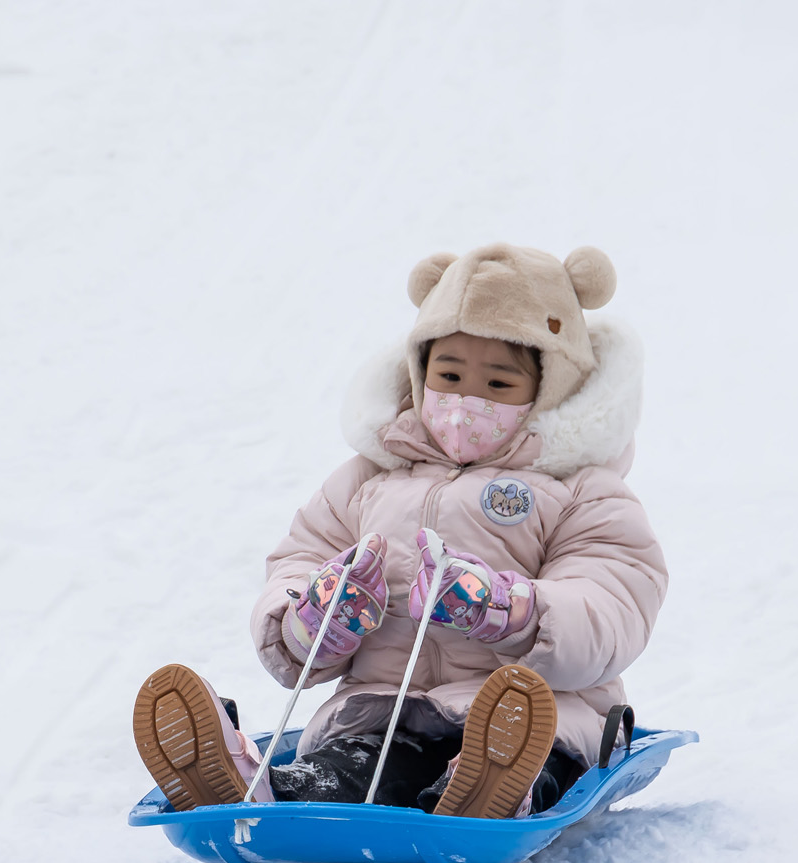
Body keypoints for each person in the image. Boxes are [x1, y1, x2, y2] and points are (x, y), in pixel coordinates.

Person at [132, 243, 667, 819]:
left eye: (498, 385)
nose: (465, 402)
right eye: (450, 375)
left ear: (548, 389)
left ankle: (495, 790)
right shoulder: (368, 479)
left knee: (532, 753)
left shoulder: (581, 491)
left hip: (530, 716)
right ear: (419, 375)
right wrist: (310, 617)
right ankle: (269, 792)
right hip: (383, 712)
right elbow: (298, 558)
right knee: (354, 766)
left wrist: (511, 611)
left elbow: (613, 601)